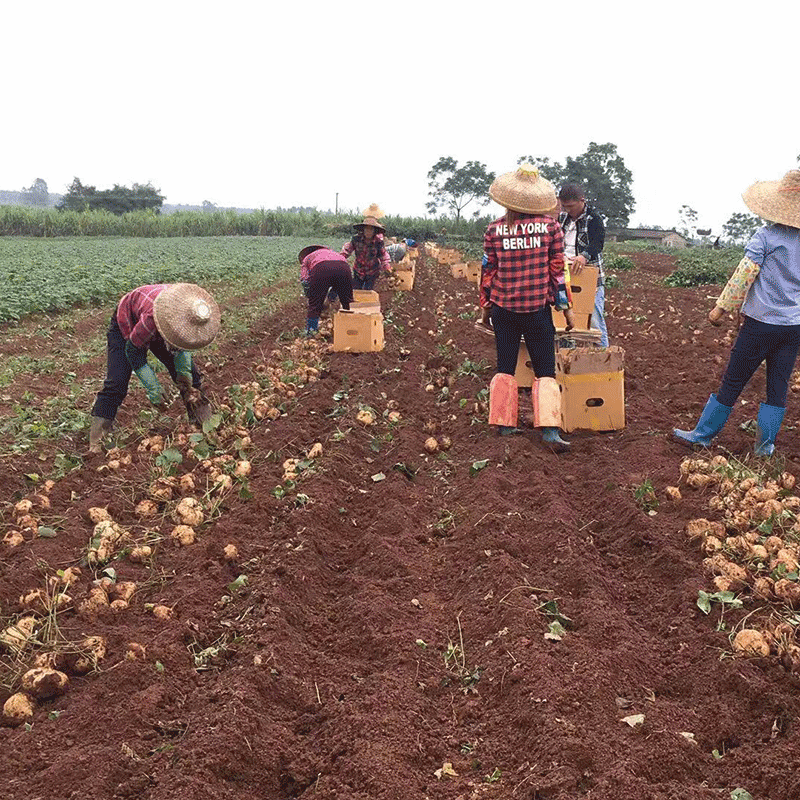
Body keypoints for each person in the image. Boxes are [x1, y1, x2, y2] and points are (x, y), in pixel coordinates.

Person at [673, 169, 800, 456]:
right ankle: (765, 448)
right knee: (778, 386)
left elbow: (744, 276)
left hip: (761, 323)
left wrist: (720, 309)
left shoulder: (766, 237)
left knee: (733, 379)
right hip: (793, 327)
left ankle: (702, 435)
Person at [483, 164, 574, 449]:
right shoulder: (551, 228)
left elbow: (488, 272)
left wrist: (485, 309)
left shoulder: (494, 230)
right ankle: (549, 430)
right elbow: (557, 272)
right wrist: (567, 309)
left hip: (503, 309)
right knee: (545, 367)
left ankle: (504, 424)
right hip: (536, 309)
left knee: (506, 365)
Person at [89, 283, 220, 452]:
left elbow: (183, 346)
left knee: (192, 379)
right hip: (131, 323)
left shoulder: (190, 312)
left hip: (162, 326)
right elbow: (133, 352)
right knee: (117, 382)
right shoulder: (151, 320)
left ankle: (203, 425)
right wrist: (153, 387)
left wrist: (184, 373)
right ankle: (98, 440)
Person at [557, 184, 608, 346]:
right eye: (564, 206)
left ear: (582, 201)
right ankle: (567, 358)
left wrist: (583, 257)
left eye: (570, 206)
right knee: (564, 320)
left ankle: (602, 358)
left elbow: (597, 244)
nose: (568, 210)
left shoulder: (594, 219)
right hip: (566, 276)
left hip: (590, 278)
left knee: (593, 321)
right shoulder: (562, 218)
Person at [299, 244, 354, 335]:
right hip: (344, 268)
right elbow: (337, 278)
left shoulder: (307, 258)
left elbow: (305, 280)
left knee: (314, 305)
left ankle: (311, 332)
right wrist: (332, 295)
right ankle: (351, 329)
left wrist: (311, 296)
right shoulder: (333, 253)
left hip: (321, 269)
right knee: (347, 302)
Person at [340, 215, 393, 290]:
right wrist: (341, 257)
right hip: (358, 270)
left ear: (374, 231)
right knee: (355, 292)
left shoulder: (378, 242)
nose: (368, 232)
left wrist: (386, 265)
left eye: (370, 229)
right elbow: (347, 249)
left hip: (372, 272)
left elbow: (383, 255)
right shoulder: (356, 239)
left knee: (368, 293)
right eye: (366, 229)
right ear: (363, 230)